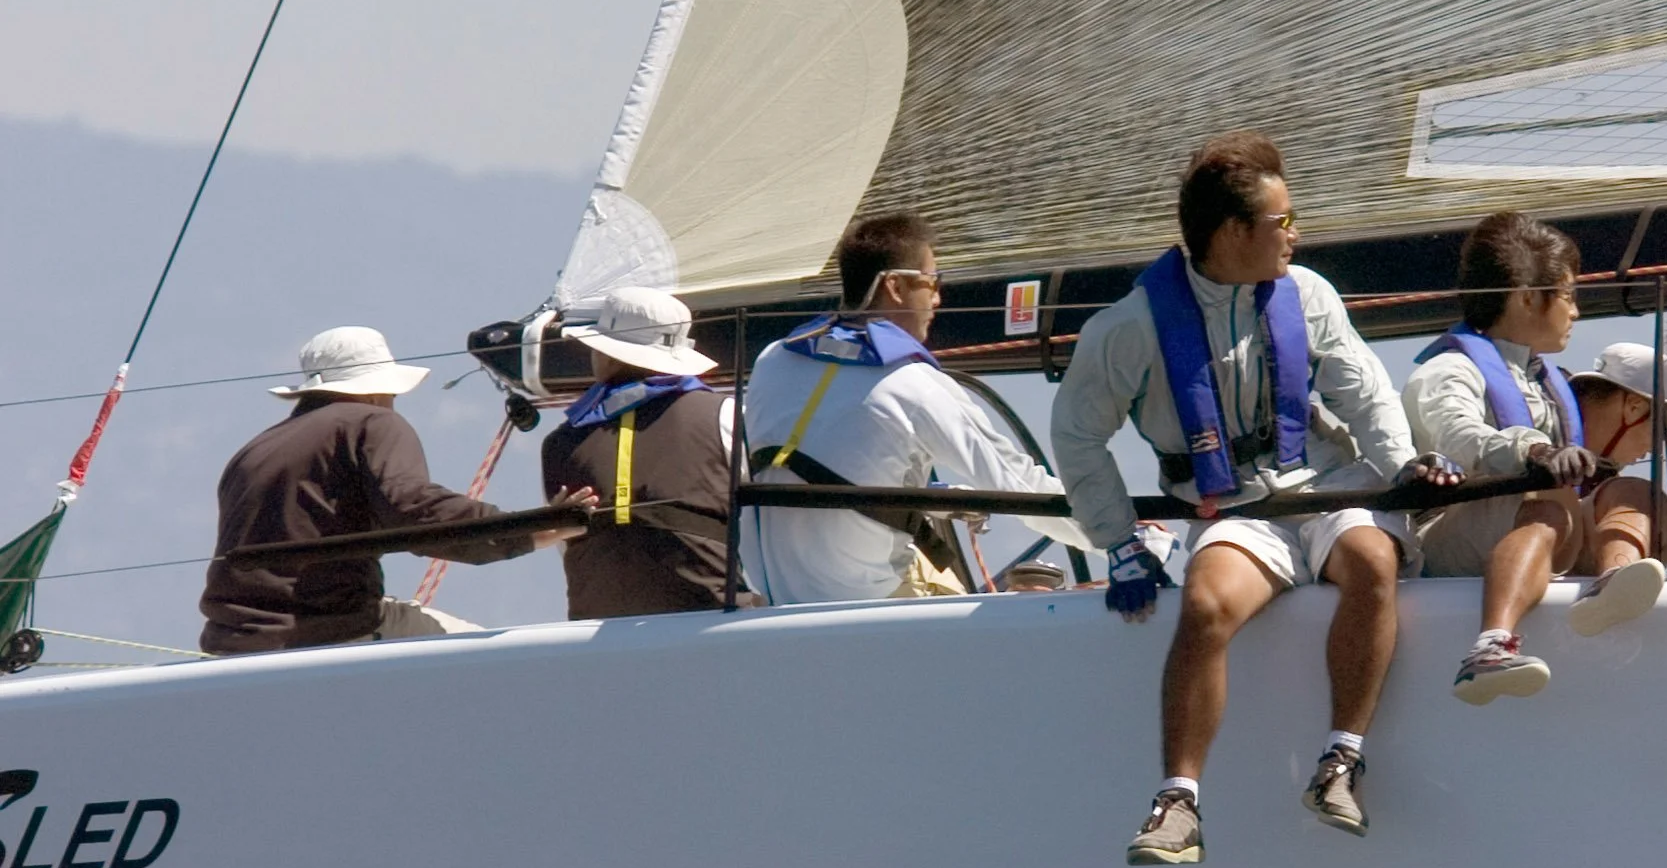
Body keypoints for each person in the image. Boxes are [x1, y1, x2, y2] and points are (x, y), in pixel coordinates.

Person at [1051, 130, 1459, 865]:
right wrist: (1118, 542)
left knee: (1371, 562)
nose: (1296, 235)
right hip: (1235, 510)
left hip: (1326, 484)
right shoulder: (1127, 328)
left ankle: (1341, 762)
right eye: (1283, 222)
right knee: (1206, 605)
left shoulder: (1309, 296)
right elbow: (1078, 437)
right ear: (1233, 232)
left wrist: (1403, 467)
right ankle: (1177, 803)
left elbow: (1364, 391)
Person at [1402, 212, 1667, 702]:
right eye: (1569, 294)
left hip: (1526, 526)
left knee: (1634, 491)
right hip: (1444, 537)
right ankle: (1490, 645)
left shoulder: (1538, 379)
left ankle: (1613, 579)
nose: (1576, 311)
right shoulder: (1449, 371)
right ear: (1528, 297)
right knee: (1551, 500)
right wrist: (1532, 449)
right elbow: (1458, 436)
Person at [741, 212, 1089, 604]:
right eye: (932, 282)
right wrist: (1123, 531)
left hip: (773, 599)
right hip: (868, 603)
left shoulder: (772, 360)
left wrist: (937, 497)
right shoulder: (915, 387)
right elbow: (1020, 488)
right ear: (894, 285)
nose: (938, 298)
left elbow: (835, 454)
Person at [200, 327, 592, 654]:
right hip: (330, 630)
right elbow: (413, 509)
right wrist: (534, 529)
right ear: (377, 390)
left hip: (233, 641)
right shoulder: (371, 421)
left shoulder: (254, 451)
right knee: (501, 663)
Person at [539, 287, 751, 619]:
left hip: (595, 626)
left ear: (607, 355)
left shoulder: (558, 443)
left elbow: (565, 541)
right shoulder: (727, 414)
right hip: (709, 617)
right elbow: (763, 519)